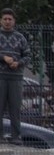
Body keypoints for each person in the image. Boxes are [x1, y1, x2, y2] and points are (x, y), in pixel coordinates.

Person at [0, 8, 31, 143]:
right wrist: (3, 58)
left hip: (16, 78)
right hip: (1, 76)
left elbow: (28, 55)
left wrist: (18, 63)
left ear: (14, 21)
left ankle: (16, 136)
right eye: (5, 19)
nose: (7, 21)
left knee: (15, 108)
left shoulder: (20, 37)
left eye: (10, 19)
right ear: (1, 20)